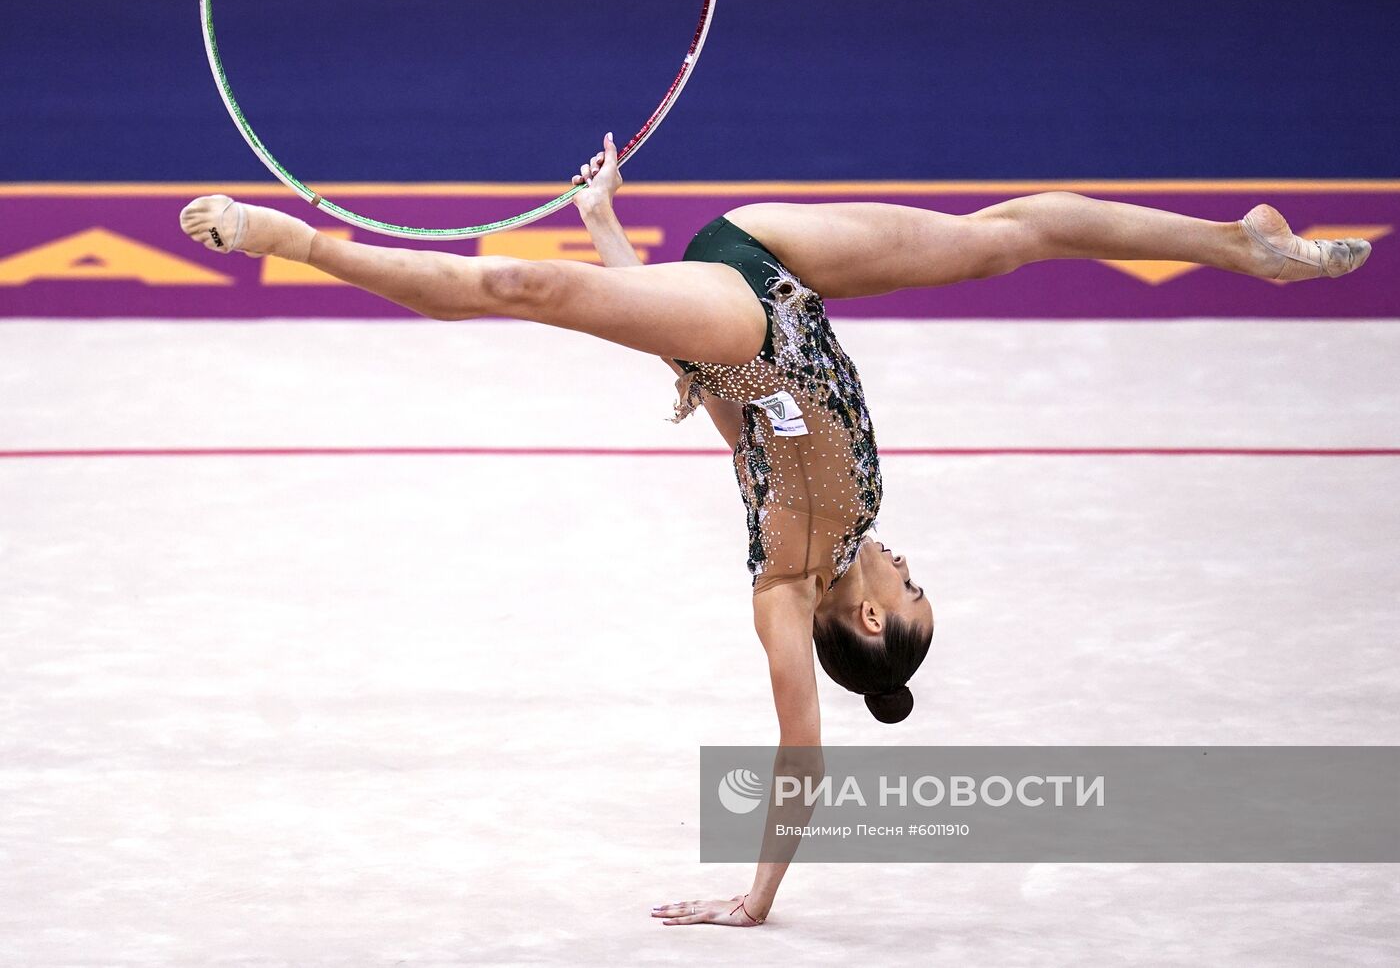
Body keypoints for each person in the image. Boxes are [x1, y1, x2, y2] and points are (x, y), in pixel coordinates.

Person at [178, 135, 1370, 926]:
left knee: (518, 292)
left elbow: (801, 751)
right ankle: (1241, 248)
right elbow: (741, 426)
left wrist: (754, 901)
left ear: (867, 619)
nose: (910, 571)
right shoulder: (854, 520)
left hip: (732, 327)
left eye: (914, 591)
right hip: (781, 275)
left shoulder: (778, 589)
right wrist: (622, 253)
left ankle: (292, 241)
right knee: (1009, 232)